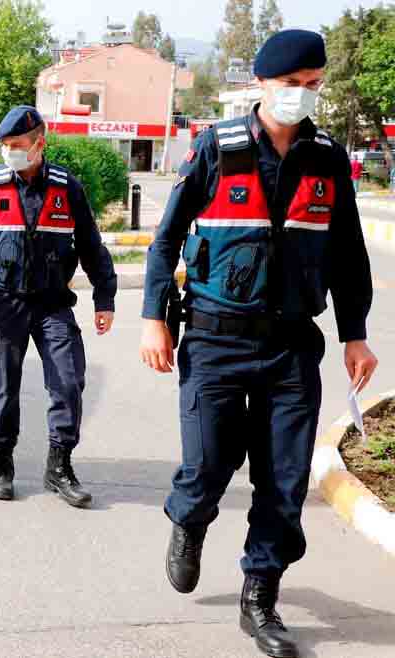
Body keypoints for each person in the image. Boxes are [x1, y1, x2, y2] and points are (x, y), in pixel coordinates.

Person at [139, 30, 378, 658]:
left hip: (293, 346)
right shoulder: (216, 147)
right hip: (215, 338)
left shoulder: (328, 158)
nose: (302, 96)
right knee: (209, 464)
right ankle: (189, 517)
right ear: (262, 84)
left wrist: (355, 335)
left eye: (313, 85)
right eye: (291, 84)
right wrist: (154, 317)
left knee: (285, 479)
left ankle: (260, 597)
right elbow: (166, 240)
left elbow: (349, 256)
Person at [0, 106, 117, 505]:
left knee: (68, 379)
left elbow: (92, 247)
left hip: (52, 304)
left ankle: (59, 467)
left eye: (18, 145)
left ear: (40, 143)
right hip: (3, 303)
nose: (10, 152)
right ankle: (1, 464)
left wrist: (103, 298)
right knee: (1, 388)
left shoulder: (67, 187)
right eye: (5, 146)